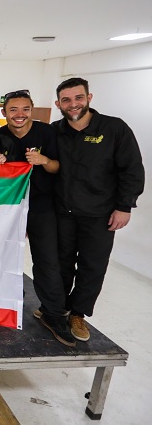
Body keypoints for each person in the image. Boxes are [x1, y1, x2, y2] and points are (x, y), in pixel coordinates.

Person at [53, 77, 144, 342]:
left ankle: (78, 314)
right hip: (63, 211)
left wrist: (124, 206)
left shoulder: (114, 128)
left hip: (100, 214)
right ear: (58, 103)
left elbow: (132, 169)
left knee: (92, 266)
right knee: (60, 264)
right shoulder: (56, 131)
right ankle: (57, 307)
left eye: (78, 98)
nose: (73, 104)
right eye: (66, 100)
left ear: (89, 98)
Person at [0, 90, 75, 347]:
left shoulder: (46, 133)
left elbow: (58, 166)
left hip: (41, 205)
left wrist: (43, 160)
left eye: (25, 109)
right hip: (8, 207)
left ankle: (53, 314)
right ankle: (6, 301)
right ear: (4, 113)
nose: (19, 115)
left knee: (46, 260)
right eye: (13, 110)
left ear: (32, 110)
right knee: (2, 254)